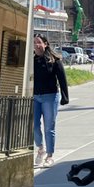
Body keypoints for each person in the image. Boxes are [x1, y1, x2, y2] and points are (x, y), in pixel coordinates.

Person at [33, 34, 69, 168]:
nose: (36, 45)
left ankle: (49, 156)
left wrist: (65, 96)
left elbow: (62, 79)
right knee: (34, 125)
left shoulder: (54, 60)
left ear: (45, 44)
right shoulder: (32, 60)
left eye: (39, 42)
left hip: (50, 96)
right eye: (34, 43)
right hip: (35, 97)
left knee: (49, 127)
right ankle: (40, 149)